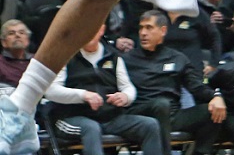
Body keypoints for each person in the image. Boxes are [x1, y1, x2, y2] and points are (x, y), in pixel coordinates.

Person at [43, 24, 162, 155]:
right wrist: (83, 95)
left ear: (101, 30)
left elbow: (128, 87)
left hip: (110, 118)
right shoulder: (65, 56)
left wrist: (125, 97)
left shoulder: (113, 56)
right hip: (72, 117)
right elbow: (50, 91)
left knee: (150, 125)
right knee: (92, 128)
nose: (87, 34)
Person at [123, 11, 226, 155]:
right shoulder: (127, 59)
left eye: (149, 27)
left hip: (172, 115)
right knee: (161, 104)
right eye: (141, 28)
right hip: (140, 114)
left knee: (213, 111)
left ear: (163, 30)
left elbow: (196, 87)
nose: (143, 33)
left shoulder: (177, 58)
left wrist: (216, 96)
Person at [0, 20, 32, 92]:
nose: (17, 35)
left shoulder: (37, 60)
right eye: (11, 33)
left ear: (27, 40)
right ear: (4, 42)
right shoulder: (1, 62)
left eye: (21, 33)